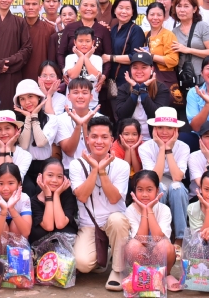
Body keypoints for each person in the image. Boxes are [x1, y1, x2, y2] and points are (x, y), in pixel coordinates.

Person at [69, 115, 130, 290]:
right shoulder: (76, 165)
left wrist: (101, 171)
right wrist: (95, 169)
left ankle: (117, 270)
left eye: (104, 137)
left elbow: (114, 198)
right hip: (89, 224)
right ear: (87, 139)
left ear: (112, 140)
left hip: (114, 222)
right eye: (94, 137)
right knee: (82, 264)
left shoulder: (122, 166)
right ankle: (107, 253)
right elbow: (82, 196)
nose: (99, 141)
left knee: (117, 220)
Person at [138, 106, 190, 246]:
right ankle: (157, 238)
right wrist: (162, 148)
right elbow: (154, 179)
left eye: (169, 128)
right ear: (154, 129)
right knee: (158, 187)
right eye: (160, 127)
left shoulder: (183, 147)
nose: (164, 132)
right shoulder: (145, 147)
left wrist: (169, 150)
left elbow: (177, 177)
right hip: (157, 184)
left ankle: (180, 239)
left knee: (177, 187)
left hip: (175, 184)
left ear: (176, 130)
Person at [124, 170, 179, 292]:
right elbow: (141, 240)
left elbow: (158, 239)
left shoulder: (164, 209)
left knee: (166, 245)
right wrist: (144, 211)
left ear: (157, 190)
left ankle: (165, 274)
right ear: (134, 190)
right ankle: (140, 275)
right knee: (132, 245)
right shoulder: (130, 210)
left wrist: (149, 210)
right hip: (140, 256)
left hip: (159, 256)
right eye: (140, 190)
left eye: (149, 190)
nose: (144, 194)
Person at [14, 79, 59, 196]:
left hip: (44, 166)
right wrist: (28, 119)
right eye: (22, 99)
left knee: (42, 193)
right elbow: (23, 145)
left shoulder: (51, 119)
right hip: (24, 166)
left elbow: (40, 142)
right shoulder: (17, 121)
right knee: (28, 190)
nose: (27, 102)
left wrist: (34, 117)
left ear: (39, 97)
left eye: (30, 96)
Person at [113, 53, 171, 141]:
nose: (139, 71)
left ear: (152, 69)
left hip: (154, 138)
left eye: (144, 67)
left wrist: (143, 91)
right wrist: (135, 91)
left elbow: (157, 115)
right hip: (129, 139)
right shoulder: (123, 88)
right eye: (135, 68)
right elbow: (122, 115)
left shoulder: (162, 89)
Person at [171, 0, 209, 89]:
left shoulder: (202, 26)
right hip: (182, 79)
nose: (182, 10)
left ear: (194, 9)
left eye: (186, 6)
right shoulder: (174, 31)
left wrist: (188, 50)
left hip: (201, 78)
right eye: (179, 6)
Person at [57, 0, 113, 70]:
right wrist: (64, 71)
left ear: (97, 10)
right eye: (85, 5)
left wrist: (104, 75)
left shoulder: (103, 30)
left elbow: (107, 57)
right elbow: (61, 54)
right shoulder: (69, 28)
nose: (89, 9)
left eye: (92, 6)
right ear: (79, 9)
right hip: (72, 74)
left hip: (96, 74)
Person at [30, 157, 77, 245]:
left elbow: (60, 224)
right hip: (43, 248)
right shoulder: (34, 201)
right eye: (50, 175)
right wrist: (48, 196)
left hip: (65, 248)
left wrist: (56, 195)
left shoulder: (68, 196)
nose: (54, 180)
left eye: (59, 176)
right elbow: (49, 226)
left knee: (64, 231)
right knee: (39, 231)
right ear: (40, 176)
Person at [104, 0, 146, 91]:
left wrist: (110, 58)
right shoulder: (113, 29)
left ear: (133, 12)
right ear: (115, 10)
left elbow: (135, 57)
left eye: (127, 8)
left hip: (127, 81)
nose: (124, 11)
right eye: (120, 8)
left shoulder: (136, 30)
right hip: (111, 81)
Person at [57, 78, 101, 170]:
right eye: (76, 92)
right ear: (69, 97)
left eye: (85, 93)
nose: (80, 96)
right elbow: (69, 152)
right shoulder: (60, 119)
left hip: (95, 168)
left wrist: (85, 125)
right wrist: (78, 125)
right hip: (69, 169)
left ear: (91, 97)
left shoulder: (101, 119)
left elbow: (94, 151)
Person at [0, 163, 33, 243]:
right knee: (3, 225)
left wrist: (12, 209)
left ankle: (16, 251)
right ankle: (3, 252)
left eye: (10, 183)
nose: (5, 188)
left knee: (15, 224)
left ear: (19, 184)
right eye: (1, 183)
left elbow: (26, 232)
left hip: (19, 243)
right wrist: (3, 211)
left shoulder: (24, 198)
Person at [0, 110, 31, 184]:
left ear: (16, 130)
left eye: (7, 128)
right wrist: (2, 149)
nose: (3, 133)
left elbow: (12, 179)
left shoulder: (25, 155)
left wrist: (7, 149)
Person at [141, 1, 179, 88]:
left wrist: (151, 56)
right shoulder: (144, 35)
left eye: (159, 15)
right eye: (152, 14)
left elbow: (173, 60)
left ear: (164, 17)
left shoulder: (168, 35)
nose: (155, 18)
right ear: (147, 17)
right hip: (146, 79)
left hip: (163, 79)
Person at [64, 26, 104, 109]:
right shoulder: (70, 58)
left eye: (87, 41)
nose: (84, 44)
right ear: (75, 42)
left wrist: (86, 58)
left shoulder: (97, 59)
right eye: (80, 41)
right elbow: (73, 75)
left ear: (93, 42)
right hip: (71, 104)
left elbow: (95, 76)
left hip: (92, 104)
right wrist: (81, 57)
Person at [23, 0, 57, 82]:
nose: (31, 7)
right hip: (19, 75)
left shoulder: (49, 29)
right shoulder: (17, 27)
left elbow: (52, 57)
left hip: (42, 76)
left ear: (40, 7)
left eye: (34, 4)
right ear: (23, 7)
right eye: (27, 4)